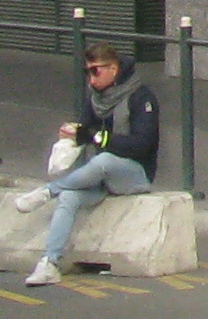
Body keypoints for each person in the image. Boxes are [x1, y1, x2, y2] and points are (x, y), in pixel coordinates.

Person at [10, 38, 157, 287]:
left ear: (113, 68)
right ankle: (50, 262)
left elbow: (142, 144)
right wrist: (72, 134)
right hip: (98, 174)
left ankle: (48, 191)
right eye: (87, 72)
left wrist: (95, 137)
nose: (91, 79)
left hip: (134, 173)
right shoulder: (95, 98)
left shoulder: (141, 97)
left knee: (107, 161)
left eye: (96, 71)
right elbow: (86, 131)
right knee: (69, 198)